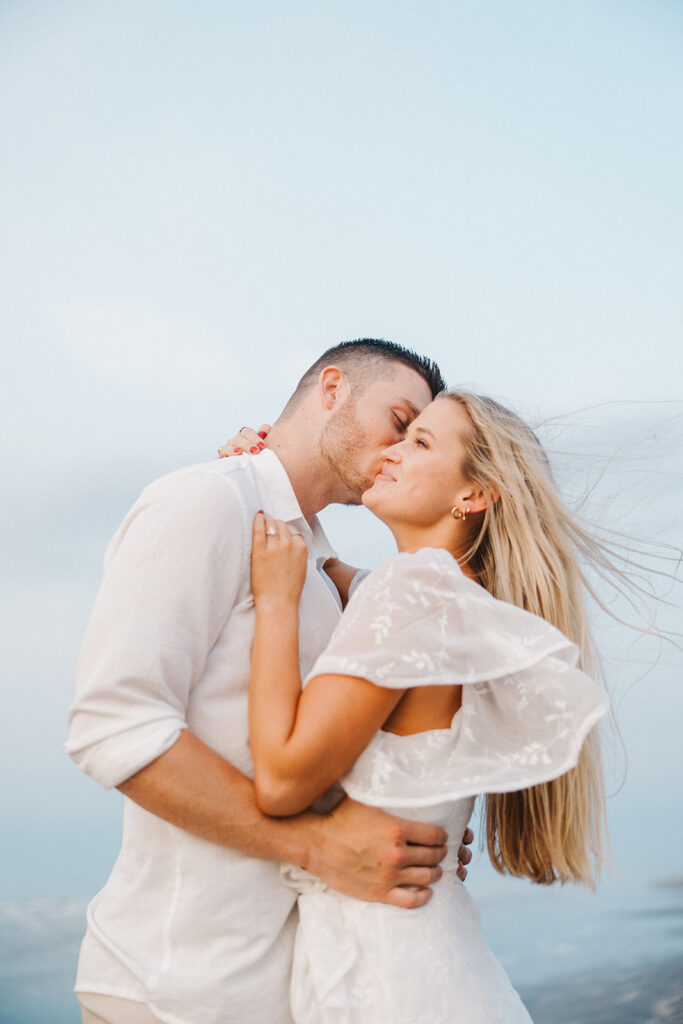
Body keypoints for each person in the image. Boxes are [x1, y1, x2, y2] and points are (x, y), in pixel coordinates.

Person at [65, 339, 475, 1024]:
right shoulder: (205, 502)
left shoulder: (324, 563)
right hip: (175, 986)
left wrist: (413, 819)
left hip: (291, 988)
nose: (400, 450)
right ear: (333, 388)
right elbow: (113, 728)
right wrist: (316, 847)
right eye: (399, 421)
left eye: (421, 440)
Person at [244, 390, 611, 1023]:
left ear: (474, 495)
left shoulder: (411, 590)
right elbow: (342, 576)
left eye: (420, 443)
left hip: (384, 977)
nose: (390, 452)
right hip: (437, 961)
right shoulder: (457, 601)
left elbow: (280, 780)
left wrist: (276, 603)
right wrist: (264, 468)